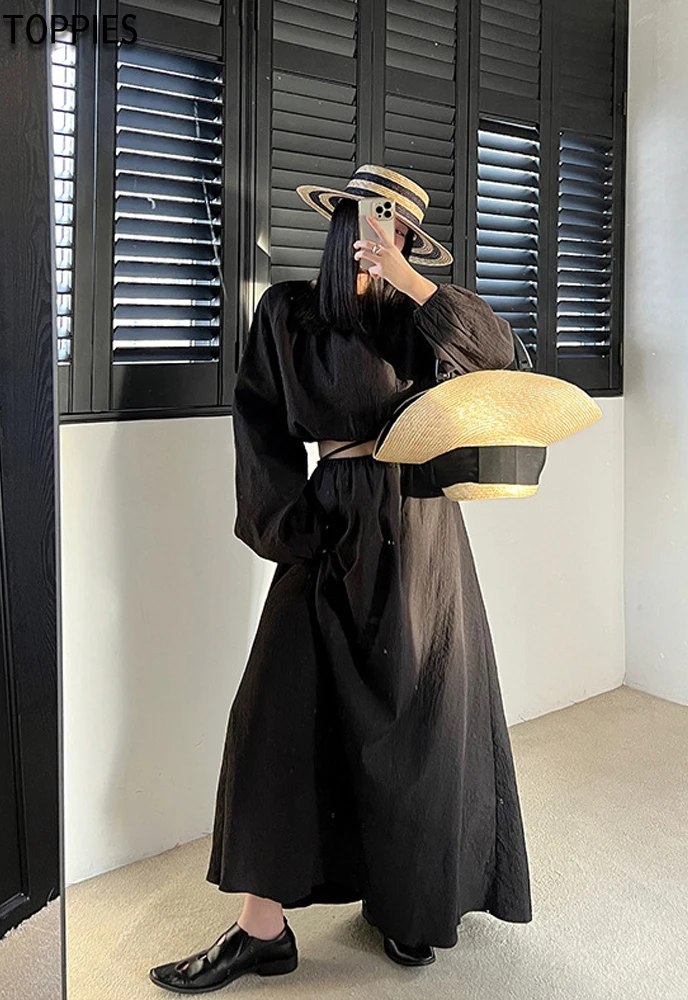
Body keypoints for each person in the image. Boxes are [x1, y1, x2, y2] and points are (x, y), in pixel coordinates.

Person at [149, 165, 532, 994]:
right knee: (273, 713)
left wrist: (409, 281)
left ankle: (409, 907)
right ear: (341, 219)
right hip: (328, 527)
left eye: (400, 224)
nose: (383, 230)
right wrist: (293, 524)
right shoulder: (289, 311)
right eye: (372, 213)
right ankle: (262, 929)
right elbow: (258, 421)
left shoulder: (422, 315)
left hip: (419, 532)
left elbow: (503, 358)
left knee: (416, 722)